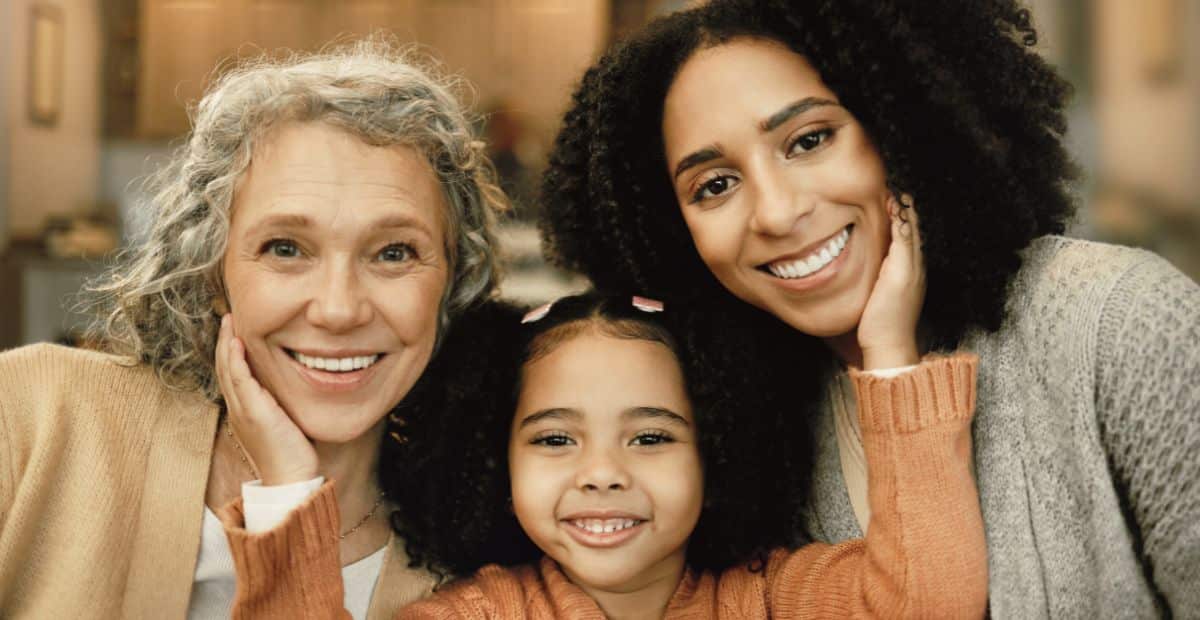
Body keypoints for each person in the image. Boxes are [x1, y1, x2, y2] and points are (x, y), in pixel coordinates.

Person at [537, 1, 1200, 617]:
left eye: (809, 140)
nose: (776, 211)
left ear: (898, 127)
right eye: (714, 185)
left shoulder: (1124, 321)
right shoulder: (739, 432)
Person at [0, 38, 506, 619]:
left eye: (394, 253)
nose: (339, 310)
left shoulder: (485, 553)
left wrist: (289, 500)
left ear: (451, 282)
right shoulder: (31, 416)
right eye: (286, 248)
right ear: (213, 273)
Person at [215, 278, 987, 618]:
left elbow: (931, 601)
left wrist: (886, 353)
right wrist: (287, 478)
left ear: (715, 456)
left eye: (650, 437)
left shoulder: (775, 598)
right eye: (555, 439)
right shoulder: (479, 615)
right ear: (499, 463)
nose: (603, 474)